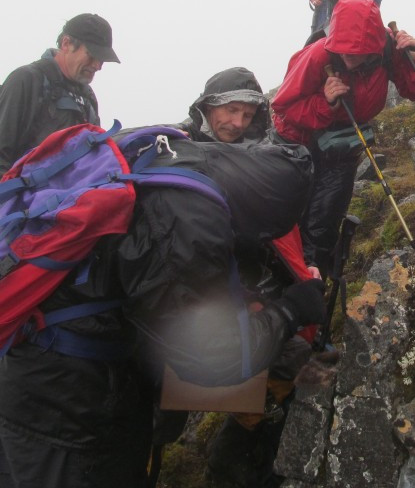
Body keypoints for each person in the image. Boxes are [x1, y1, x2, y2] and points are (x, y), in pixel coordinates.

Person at [0, 131, 325, 488]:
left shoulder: (179, 164)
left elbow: (153, 276)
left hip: (52, 376)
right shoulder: (190, 214)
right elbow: (213, 358)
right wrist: (292, 309)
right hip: (67, 409)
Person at [174, 68, 315, 488]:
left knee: (290, 356)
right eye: (230, 110)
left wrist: (297, 271)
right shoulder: (179, 150)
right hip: (195, 294)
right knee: (166, 403)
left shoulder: (259, 152)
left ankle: (254, 436)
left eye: (248, 113)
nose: (237, 122)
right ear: (207, 106)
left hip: (249, 279)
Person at [271, 0, 415, 278]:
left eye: (355, 52)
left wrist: (412, 58)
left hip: (343, 141)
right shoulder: (319, 55)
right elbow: (283, 107)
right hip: (297, 142)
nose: (347, 57)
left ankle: (314, 284)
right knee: (290, 218)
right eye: (343, 50)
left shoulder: (387, 50)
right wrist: (325, 103)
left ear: (372, 47)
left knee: (325, 220)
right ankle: (280, 279)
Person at [0, 13, 120, 174]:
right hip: (24, 195)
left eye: (102, 59)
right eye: (92, 56)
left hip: (71, 196)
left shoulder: (88, 98)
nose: (98, 66)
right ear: (66, 43)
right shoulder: (27, 80)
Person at [181, 66, 270, 143]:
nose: (238, 123)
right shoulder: (176, 142)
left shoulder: (263, 153)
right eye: (232, 110)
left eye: (248, 116)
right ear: (209, 105)